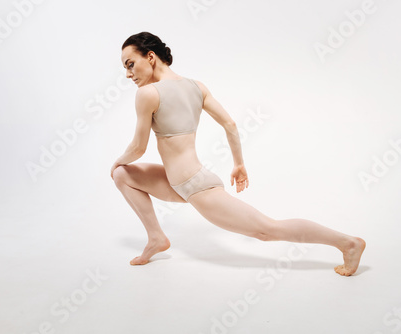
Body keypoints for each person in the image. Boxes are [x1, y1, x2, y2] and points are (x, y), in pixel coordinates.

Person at [111, 32, 366, 276]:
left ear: (151, 57)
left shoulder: (147, 94)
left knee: (267, 230)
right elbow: (230, 125)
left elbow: (138, 148)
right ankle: (156, 238)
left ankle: (347, 243)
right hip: (179, 181)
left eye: (131, 64)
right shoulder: (196, 86)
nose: (128, 73)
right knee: (123, 176)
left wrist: (116, 162)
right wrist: (238, 164)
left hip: (194, 186)